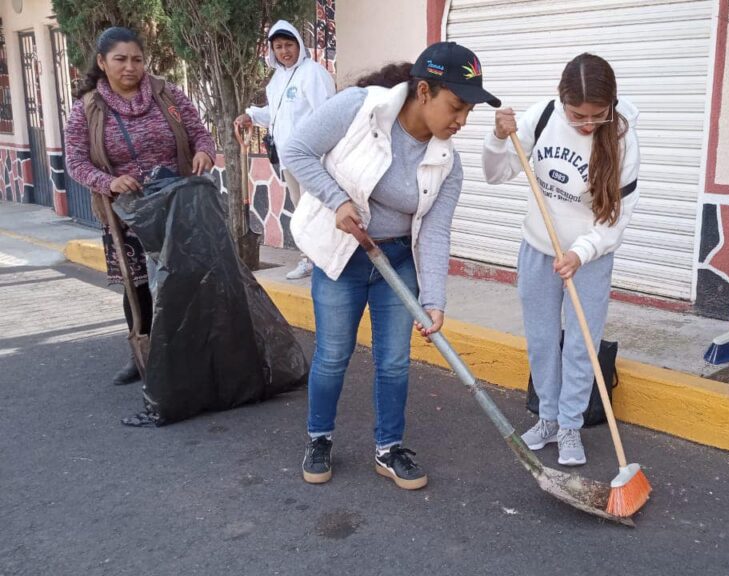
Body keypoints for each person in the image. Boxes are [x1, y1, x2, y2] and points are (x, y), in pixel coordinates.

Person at [282, 42, 499, 489]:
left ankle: (388, 448)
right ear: (424, 90)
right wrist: (337, 200)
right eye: (456, 106)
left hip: (396, 260)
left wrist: (435, 298)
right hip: (341, 257)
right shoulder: (360, 108)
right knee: (332, 355)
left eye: (468, 111)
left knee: (394, 361)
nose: (461, 121)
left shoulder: (447, 162)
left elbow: (436, 232)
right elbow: (297, 150)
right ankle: (319, 438)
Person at [481, 53, 639, 466]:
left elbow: (615, 221)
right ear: (561, 100)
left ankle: (571, 425)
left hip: (589, 256)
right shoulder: (545, 115)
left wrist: (580, 252)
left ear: (611, 104)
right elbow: (496, 174)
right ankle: (547, 419)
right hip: (538, 247)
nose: (588, 124)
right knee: (542, 338)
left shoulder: (621, 137)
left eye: (596, 115)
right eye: (578, 116)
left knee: (582, 346)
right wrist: (498, 138)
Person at [64, 26, 216, 387]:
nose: (130, 67)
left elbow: (200, 133)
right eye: (120, 59)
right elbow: (75, 161)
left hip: (177, 204)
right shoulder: (86, 109)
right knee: (139, 286)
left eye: (137, 59)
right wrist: (109, 182)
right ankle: (143, 354)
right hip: (126, 213)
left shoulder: (168, 94)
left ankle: (193, 353)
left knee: (186, 280)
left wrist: (205, 152)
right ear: (102, 62)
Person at [235, 20, 336, 280]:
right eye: (278, 46)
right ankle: (311, 259)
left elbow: (327, 114)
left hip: (313, 157)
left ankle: (324, 260)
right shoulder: (278, 78)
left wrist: (323, 154)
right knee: (303, 211)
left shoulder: (313, 73)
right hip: (290, 160)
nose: (284, 51)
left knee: (318, 211)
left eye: (288, 44)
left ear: (299, 45)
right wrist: (251, 115)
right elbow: (276, 114)